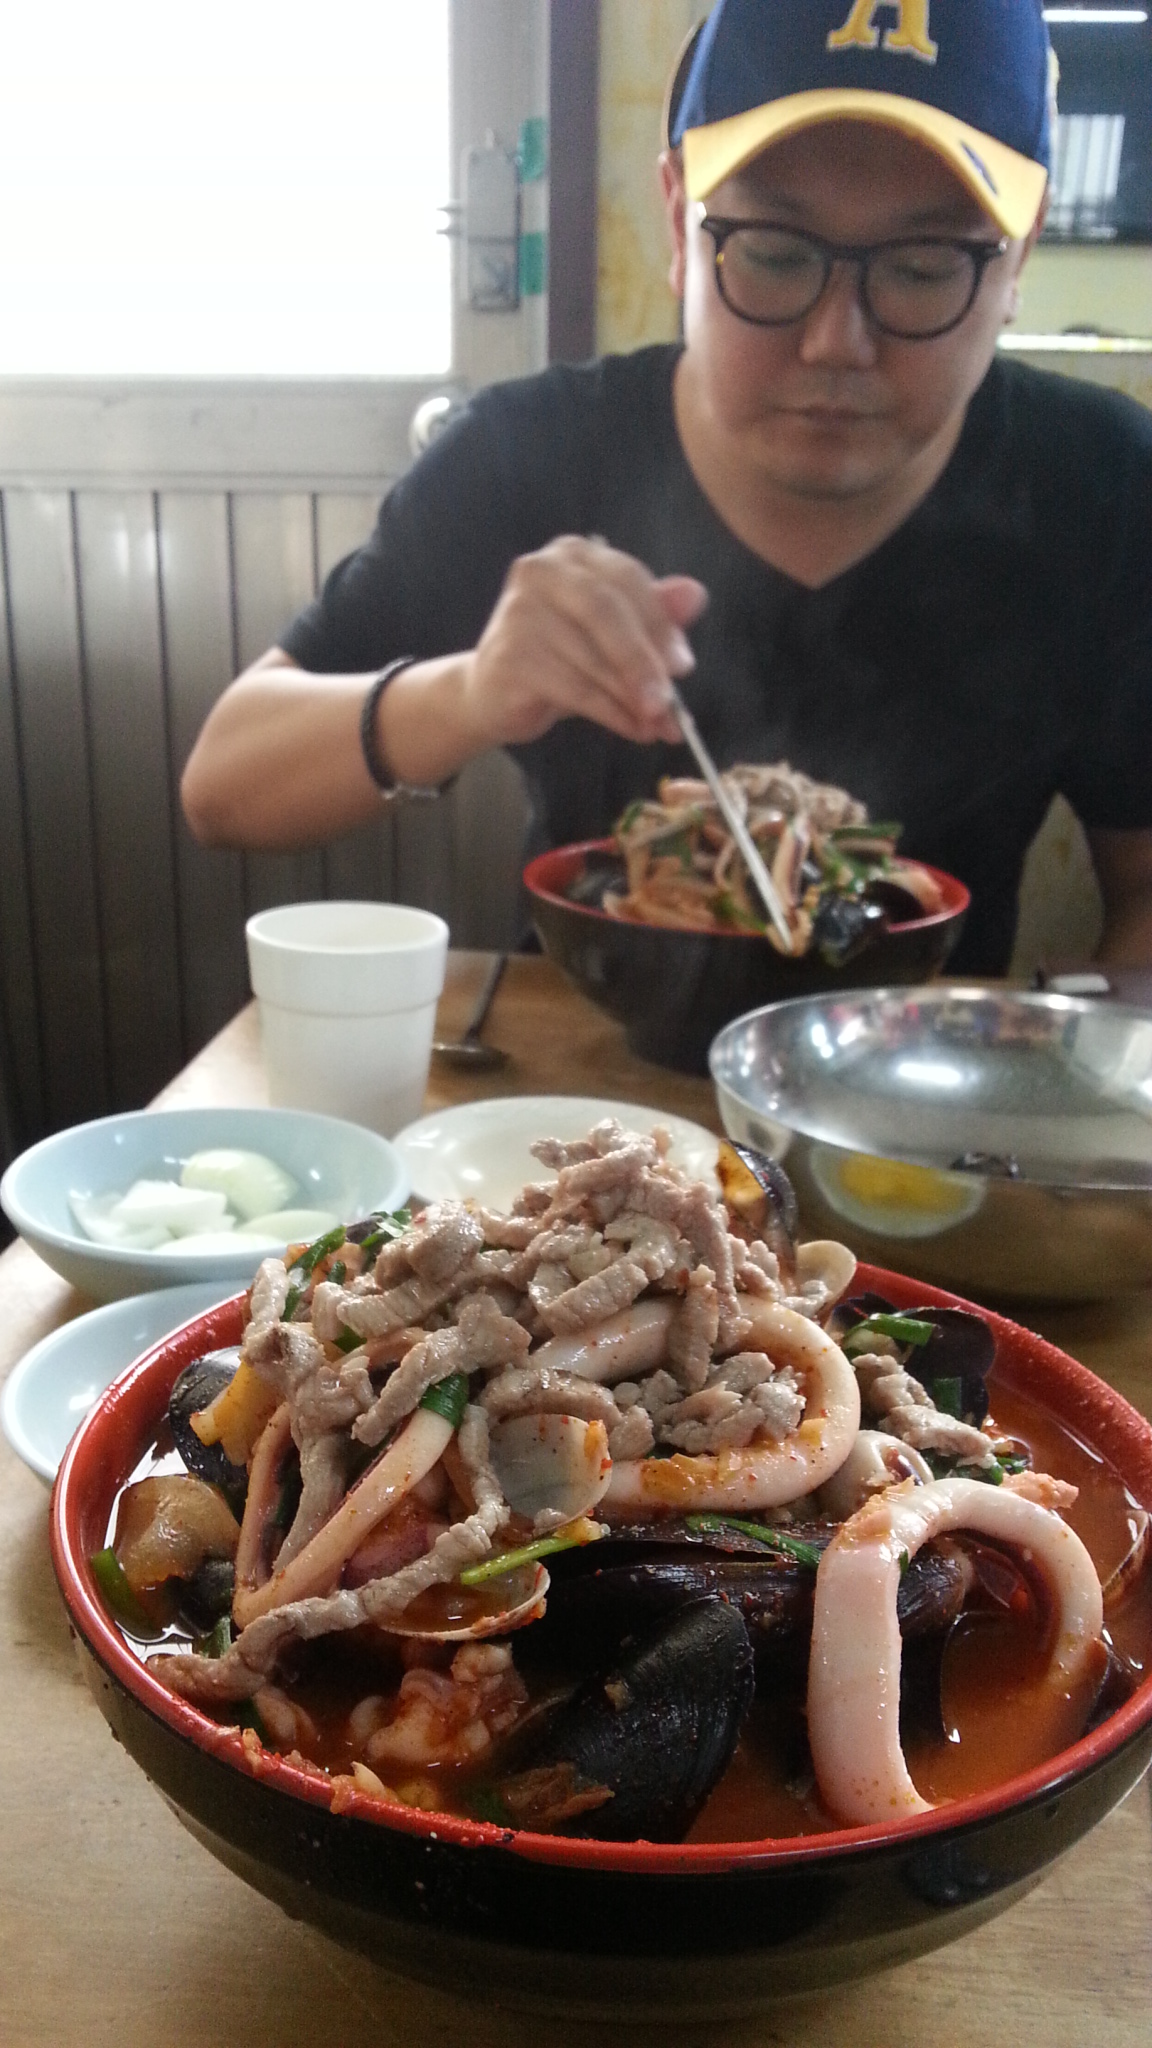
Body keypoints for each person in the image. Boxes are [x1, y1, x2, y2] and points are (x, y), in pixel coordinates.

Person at [180, 0, 1152, 976]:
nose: (837, 343)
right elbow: (222, 784)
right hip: (584, 1060)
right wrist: (469, 692)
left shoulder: (1102, 489)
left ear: (1020, 256)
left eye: (924, 268)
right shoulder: (530, 453)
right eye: (773, 253)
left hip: (920, 1065)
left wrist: (1086, 1044)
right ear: (679, 219)